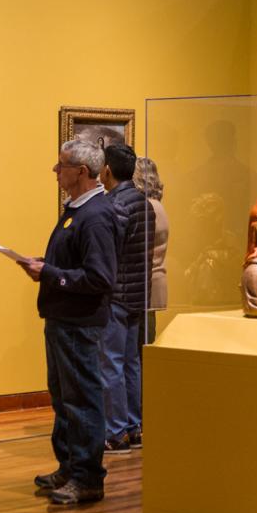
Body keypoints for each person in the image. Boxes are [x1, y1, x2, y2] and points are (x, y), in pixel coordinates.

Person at [18, 140, 116, 505]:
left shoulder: (97, 216)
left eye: (62, 166)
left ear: (83, 173)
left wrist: (51, 273)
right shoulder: (77, 210)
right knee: (63, 398)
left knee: (82, 400)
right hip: (63, 317)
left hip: (79, 320)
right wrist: (45, 267)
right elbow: (74, 265)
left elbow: (99, 278)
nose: (55, 171)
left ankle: (88, 478)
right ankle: (70, 466)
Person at [98, 143, 156, 454]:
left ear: (107, 170)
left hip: (117, 294)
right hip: (138, 292)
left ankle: (117, 431)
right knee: (132, 363)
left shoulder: (114, 205)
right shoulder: (144, 203)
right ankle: (134, 427)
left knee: (112, 364)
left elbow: (109, 250)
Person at [134, 157, 169, 345]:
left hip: (145, 285)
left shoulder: (147, 207)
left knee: (141, 346)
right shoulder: (156, 205)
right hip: (150, 283)